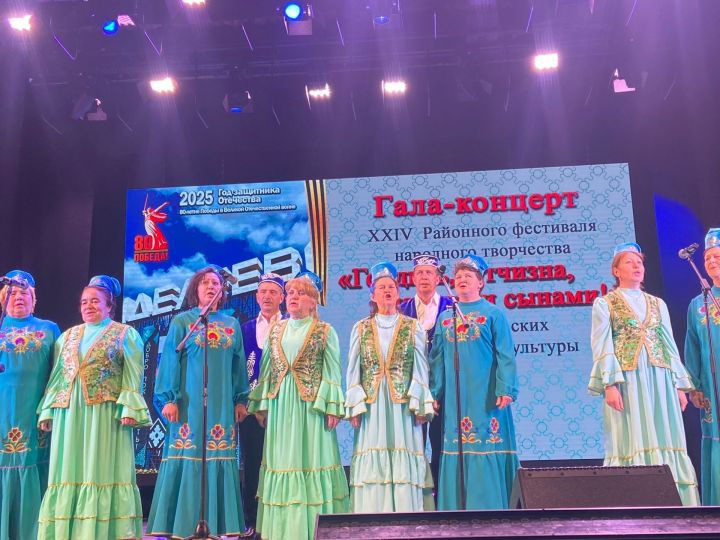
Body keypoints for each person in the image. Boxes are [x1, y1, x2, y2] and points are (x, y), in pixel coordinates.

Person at [37, 275, 150, 539]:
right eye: (84, 302)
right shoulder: (67, 337)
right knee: (69, 469)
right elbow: (58, 377)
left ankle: (103, 531)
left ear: (109, 305)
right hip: (69, 413)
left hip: (105, 413)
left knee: (99, 469)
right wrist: (48, 410)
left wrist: (129, 408)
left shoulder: (125, 334)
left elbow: (133, 375)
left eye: (95, 301)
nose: (88, 306)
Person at [589, 242, 699, 506]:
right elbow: (602, 344)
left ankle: (674, 500)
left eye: (639, 262)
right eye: (629, 262)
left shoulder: (657, 303)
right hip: (628, 379)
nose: (637, 266)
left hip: (660, 378)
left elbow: (668, 344)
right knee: (632, 435)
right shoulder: (605, 303)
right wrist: (610, 384)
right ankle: (633, 500)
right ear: (616, 270)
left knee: (665, 433)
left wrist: (678, 385)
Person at [147, 266, 251, 538]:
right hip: (187, 404)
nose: (210, 286)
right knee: (189, 452)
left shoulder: (231, 324)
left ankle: (218, 525)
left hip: (221, 405)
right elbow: (170, 361)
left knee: (217, 454)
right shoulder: (183, 322)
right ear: (195, 289)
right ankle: (181, 525)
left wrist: (241, 400)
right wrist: (169, 398)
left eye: (215, 283)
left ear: (222, 290)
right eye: (204, 283)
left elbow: (238, 366)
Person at [248, 271, 348, 540]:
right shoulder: (276, 330)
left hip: (311, 408)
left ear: (313, 301)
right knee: (283, 461)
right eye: (291, 293)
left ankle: (315, 528)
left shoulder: (324, 331)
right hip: (282, 407)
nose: (293, 297)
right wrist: (262, 405)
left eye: (300, 293)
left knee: (312, 460)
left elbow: (332, 371)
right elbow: (267, 370)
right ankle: (283, 530)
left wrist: (332, 406)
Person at [429, 254, 519, 510]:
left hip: (487, 395)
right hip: (456, 398)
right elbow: (437, 359)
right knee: (456, 445)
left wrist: (505, 387)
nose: (462, 280)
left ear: (480, 282)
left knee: (485, 441)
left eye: (468, 276)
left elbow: (505, 354)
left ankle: (490, 508)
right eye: (458, 276)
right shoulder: (445, 318)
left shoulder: (493, 314)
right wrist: (434, 393)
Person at [346, 262, 434, 512]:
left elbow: (420, 366)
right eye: (381, 287)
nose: (387, 291)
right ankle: (373, 512)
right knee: (373, 449)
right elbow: (354, 367)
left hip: (402, 403)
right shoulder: (361, 327)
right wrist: (354, 404)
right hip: (373, 404)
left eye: (391, 287)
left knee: (404, 449)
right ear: (373, 296)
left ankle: (406, 511)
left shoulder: (412, 326)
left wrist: (420, 403)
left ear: (398, 294)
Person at [0, 270, 60, 540]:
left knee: (31, 461)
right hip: (3, 409)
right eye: (12, 293)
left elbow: (58, 373)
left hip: (33, 411)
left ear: (34, 299)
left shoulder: (48, 329)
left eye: (24, 293)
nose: (18, 297)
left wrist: (50, 407)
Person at [399, 254, 453, 490]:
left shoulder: (452, 307)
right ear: (412, 278)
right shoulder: (402, 310)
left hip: (445, 386)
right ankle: (416, 493)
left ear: (438, 279)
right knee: (413, 442)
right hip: (412, 387)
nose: (424, 277)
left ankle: (443, 493)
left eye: (429, 273)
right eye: (419, 273)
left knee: (442, 443)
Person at [239, 272, 286, 529]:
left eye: (273, 292)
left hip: (282, 406)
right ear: (257, 297)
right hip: (250, 408)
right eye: (263, 292)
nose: (267, 296)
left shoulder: (290, 325)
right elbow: (238, 370)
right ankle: (251, 520)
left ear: (282, 297)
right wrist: (242, 402)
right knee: (252, 462)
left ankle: (280, 518)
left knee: (282, 460)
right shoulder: (244, 328)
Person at [685, 228, 720, 505]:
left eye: (717, 256)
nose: (711, 262)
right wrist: (694, 385)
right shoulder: (698, 304)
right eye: (707, 258)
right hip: (711, 382)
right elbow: (692, 347)